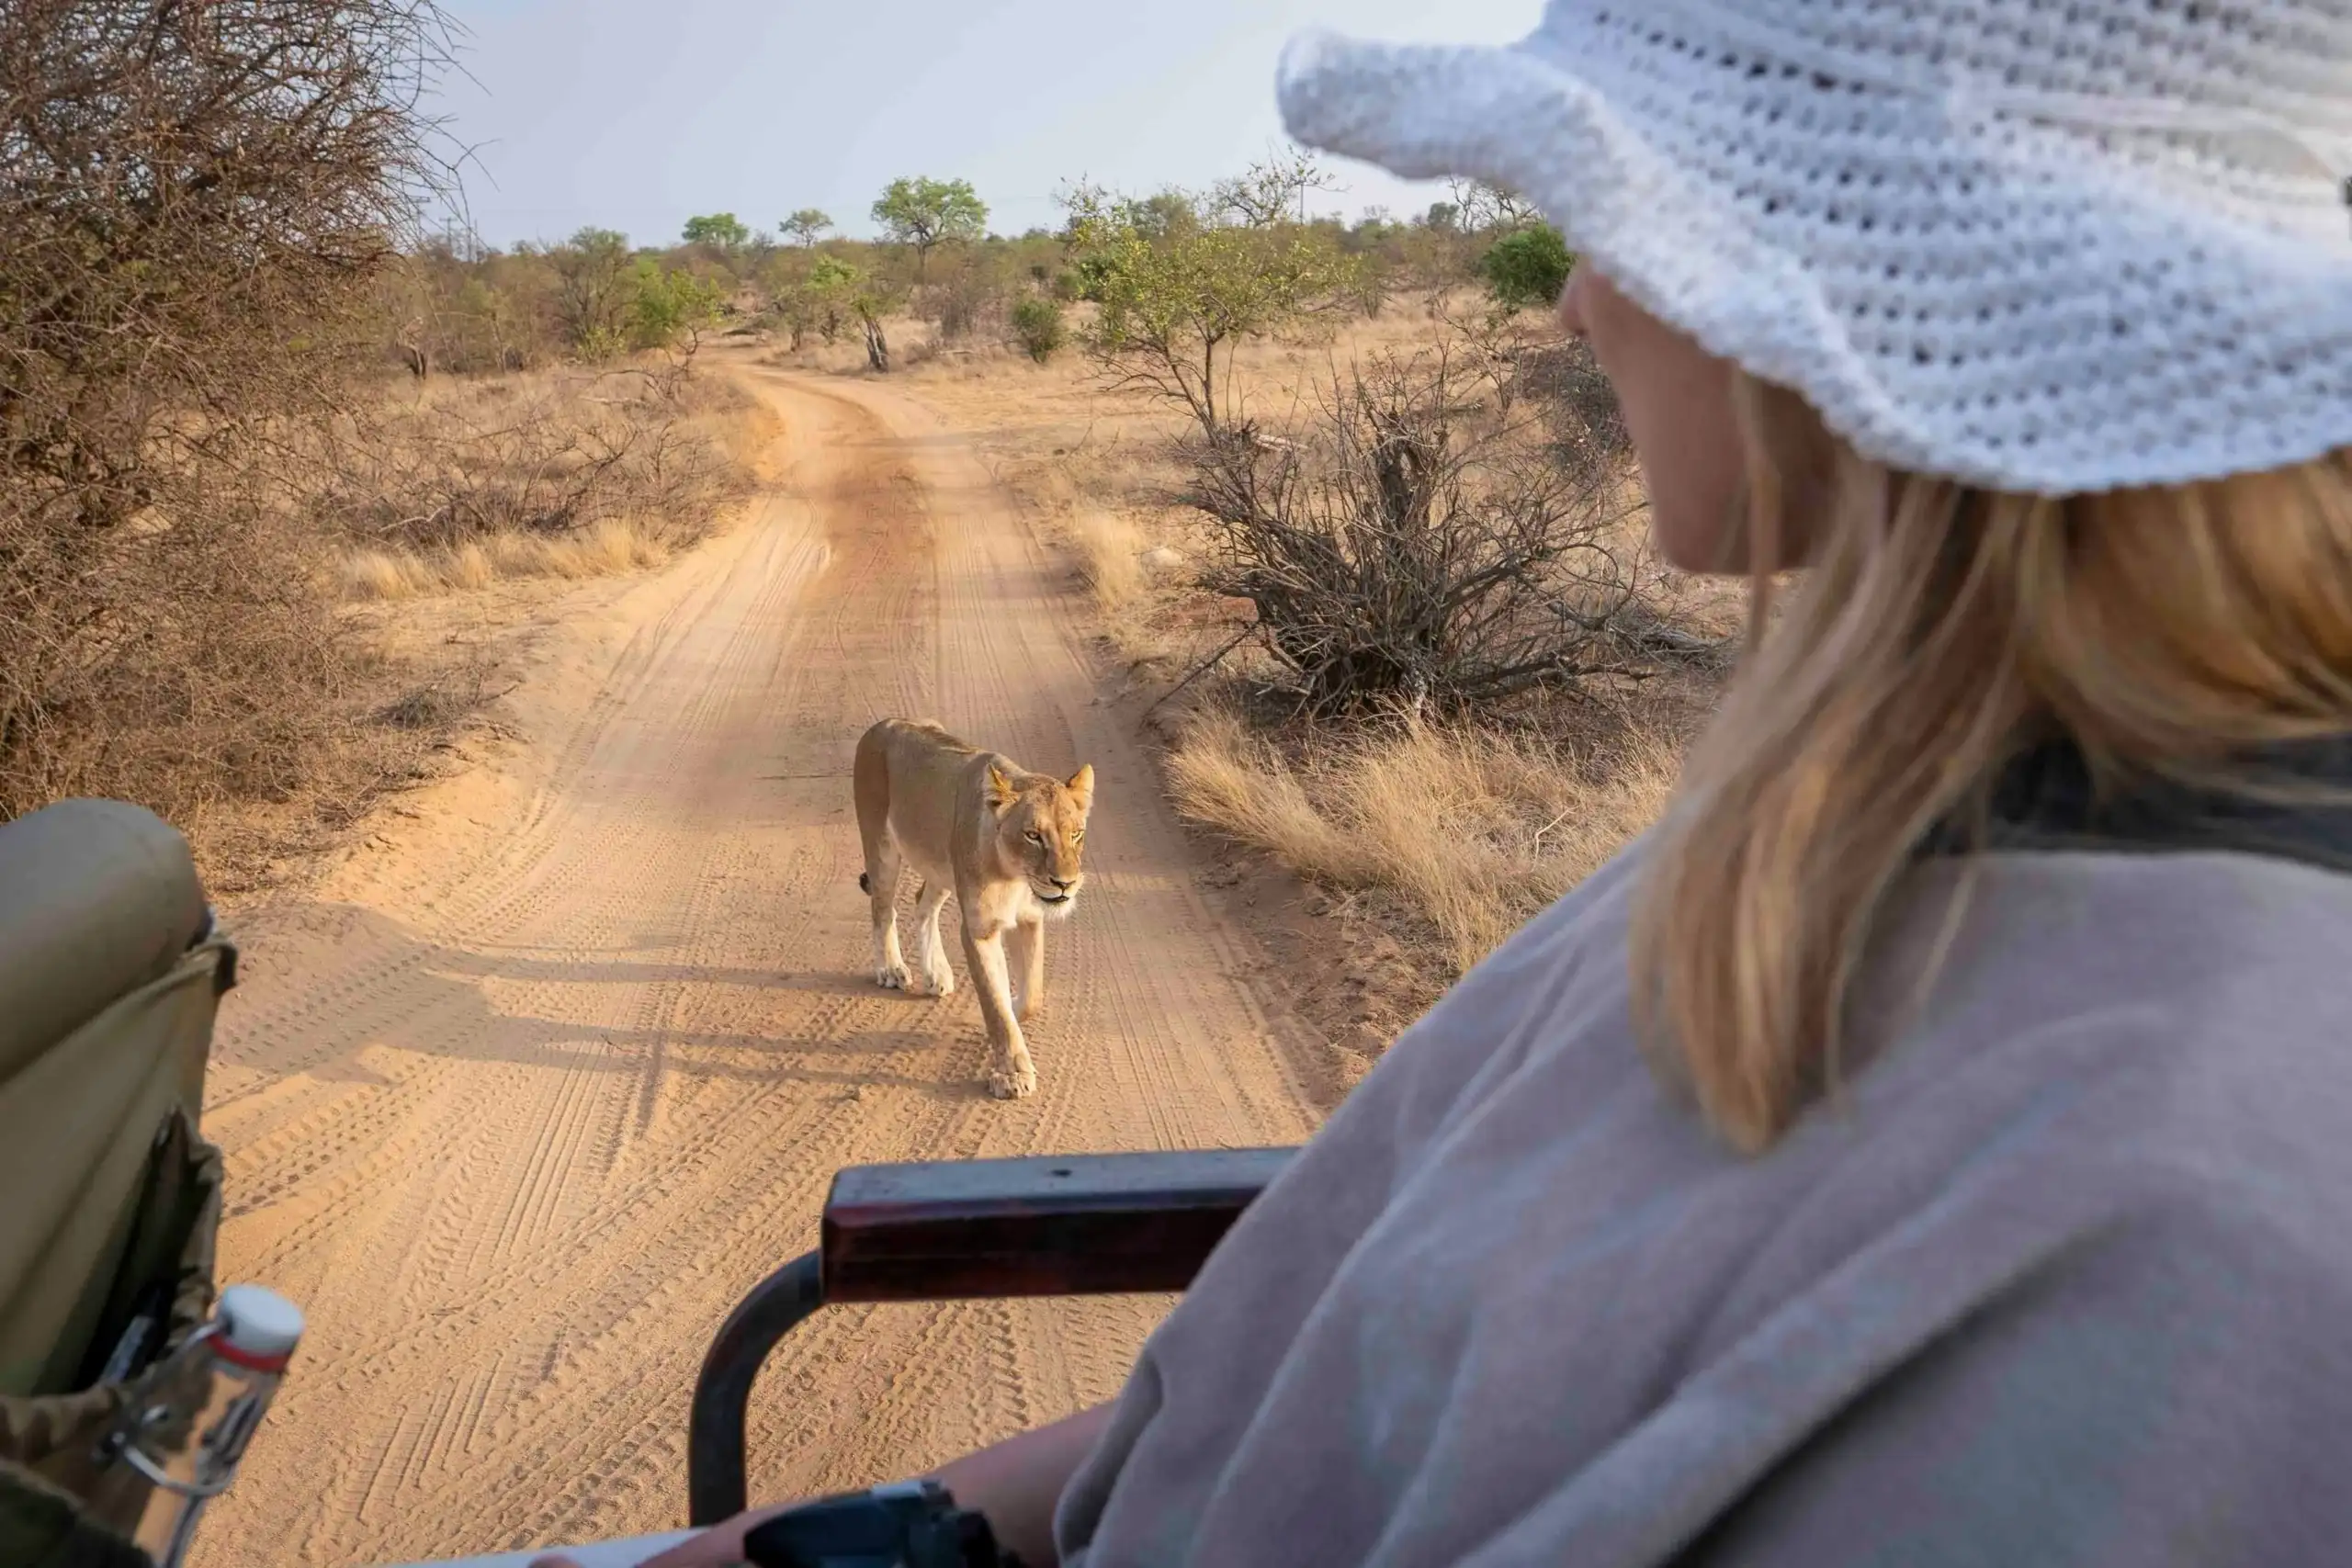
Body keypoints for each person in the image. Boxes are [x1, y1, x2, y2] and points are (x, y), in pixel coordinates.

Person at [544, 1, 2352, 1563]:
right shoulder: (1839, 828)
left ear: (1835, 281)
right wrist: (900, 1525)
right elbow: (1329, 1381)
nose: (1572, 303)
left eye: (1618, 214)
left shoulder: (2183, 1213)